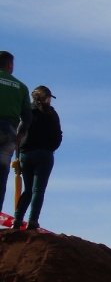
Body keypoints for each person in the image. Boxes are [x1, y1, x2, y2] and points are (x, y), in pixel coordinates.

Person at [12, 86, 62, 231]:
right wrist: (51, 147)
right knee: (38, 190)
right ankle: (32, 221)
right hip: (44, 154)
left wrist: (18, 155)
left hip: (26, 154)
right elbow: (58, 135)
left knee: (27, 190)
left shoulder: (27, 112)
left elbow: (19, 134)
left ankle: (17, 219)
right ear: (47, 98)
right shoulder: (52, 114)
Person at [0, 51, 32, 219]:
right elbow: (27, 116)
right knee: (1, 174)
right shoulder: (21, 87)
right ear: (10, 65)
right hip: (9, 132)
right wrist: (20, 134)